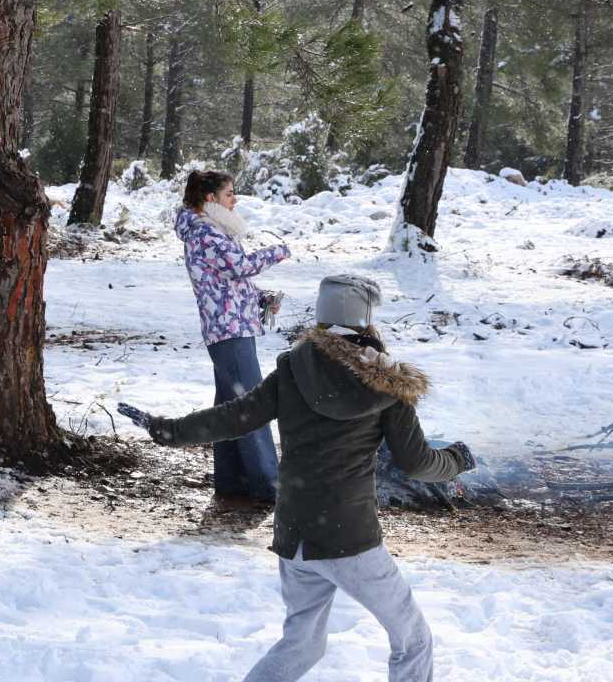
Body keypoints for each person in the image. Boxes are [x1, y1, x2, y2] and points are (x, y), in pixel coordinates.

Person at [119, 274, 477, 682]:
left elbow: (235, 417)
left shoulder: (292, 371)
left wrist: (170, 430)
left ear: (322, 319)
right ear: (366, 320)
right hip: (349, 539)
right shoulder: (387, 387)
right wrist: (456, 460)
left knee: (303, 644)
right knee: (413, 640)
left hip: (296, 537)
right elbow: (417, 463)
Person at [176, 169, 290, 502]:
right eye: (229, 194)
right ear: (209, 198)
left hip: (232, 325)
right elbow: (239, 266)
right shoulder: (204, 232)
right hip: (228, 328)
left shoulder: (212, 230)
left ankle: (232, 481)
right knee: (250, 404)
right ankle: (269, 485)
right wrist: (277, 251)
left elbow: (229, 279)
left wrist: (262, 298)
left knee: (230, 405)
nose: (235, 199)